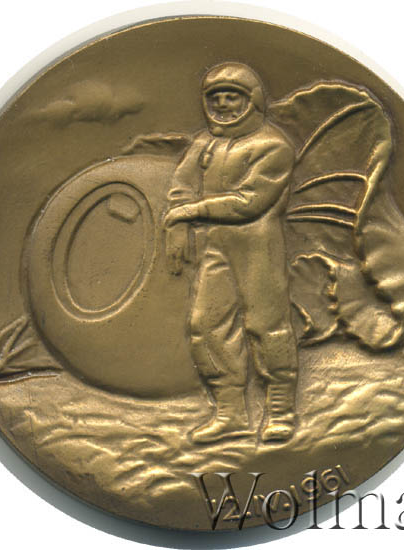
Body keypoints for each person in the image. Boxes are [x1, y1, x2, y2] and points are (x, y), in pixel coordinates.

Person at [163, 62, 298, 444]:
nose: (222, 105)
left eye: (232, 97)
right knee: (206, 326)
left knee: (267, 326)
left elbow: (248, 202)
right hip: (215, 247)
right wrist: (177, 224)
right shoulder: (204, 144)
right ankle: (231, 414)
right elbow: (181, 185)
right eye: (215, 98)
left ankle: (281, 411)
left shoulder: (272, 146)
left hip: (258, 247)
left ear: (252, 101)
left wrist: (188, 213)